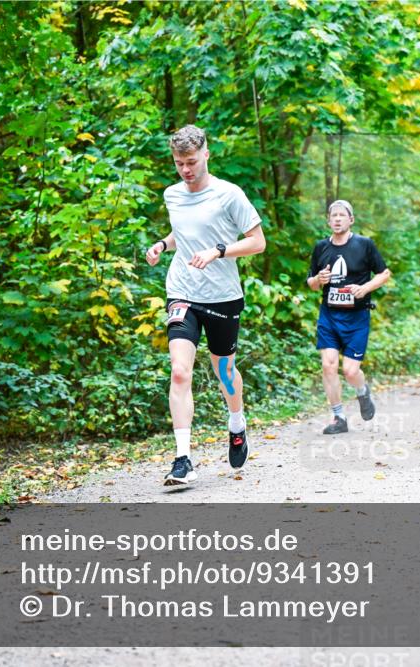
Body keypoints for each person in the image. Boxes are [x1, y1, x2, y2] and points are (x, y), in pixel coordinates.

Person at [145, 125, 267, 486]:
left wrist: (218, 251)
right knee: (180, 371)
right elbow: (181, 233)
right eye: (179, 163)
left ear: (206, 155)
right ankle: (182, 459)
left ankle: (236, 422)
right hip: (182, 291)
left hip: (223, 296)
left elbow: (258, 242)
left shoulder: (230, 195)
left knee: (224, 371)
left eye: (192, 161)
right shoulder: (172, 195)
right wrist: (162, 246)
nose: (185, 169)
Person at [306, 200, 390, 435]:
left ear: (351, 220)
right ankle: (338, 417)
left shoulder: (364, 244)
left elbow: (384, 274)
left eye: (342, 215)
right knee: (328, 365)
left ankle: (363, 392)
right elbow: (311, 282)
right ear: (328, 220)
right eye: (333, 215)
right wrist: (318, 281)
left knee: (350, 371)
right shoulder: (321, 247)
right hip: (330, 317)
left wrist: (365, 289)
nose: (337, 219)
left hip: (357, 318)